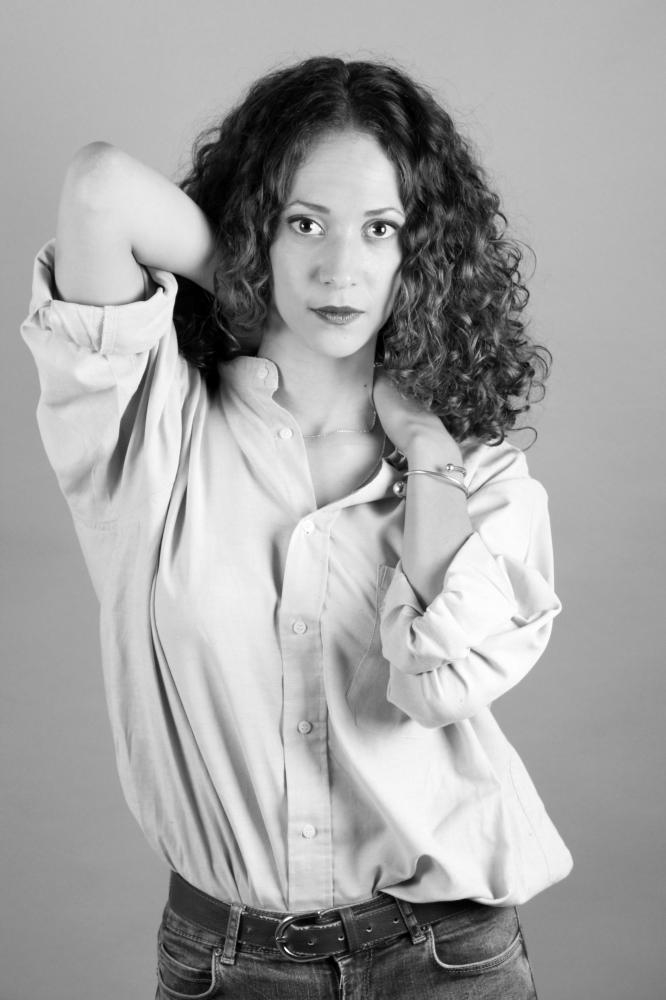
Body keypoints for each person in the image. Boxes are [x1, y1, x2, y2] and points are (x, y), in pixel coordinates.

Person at [21, 56, 572, 999]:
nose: (338, 269)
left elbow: (434, 683)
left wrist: (426, 445)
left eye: (380, 229)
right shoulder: (152, 433)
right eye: (303, 223)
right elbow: (101, 188)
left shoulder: (479, 481)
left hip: (445, 959)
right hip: (226, 966)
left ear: (419, 256)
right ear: (256, 229)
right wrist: (245, 282)